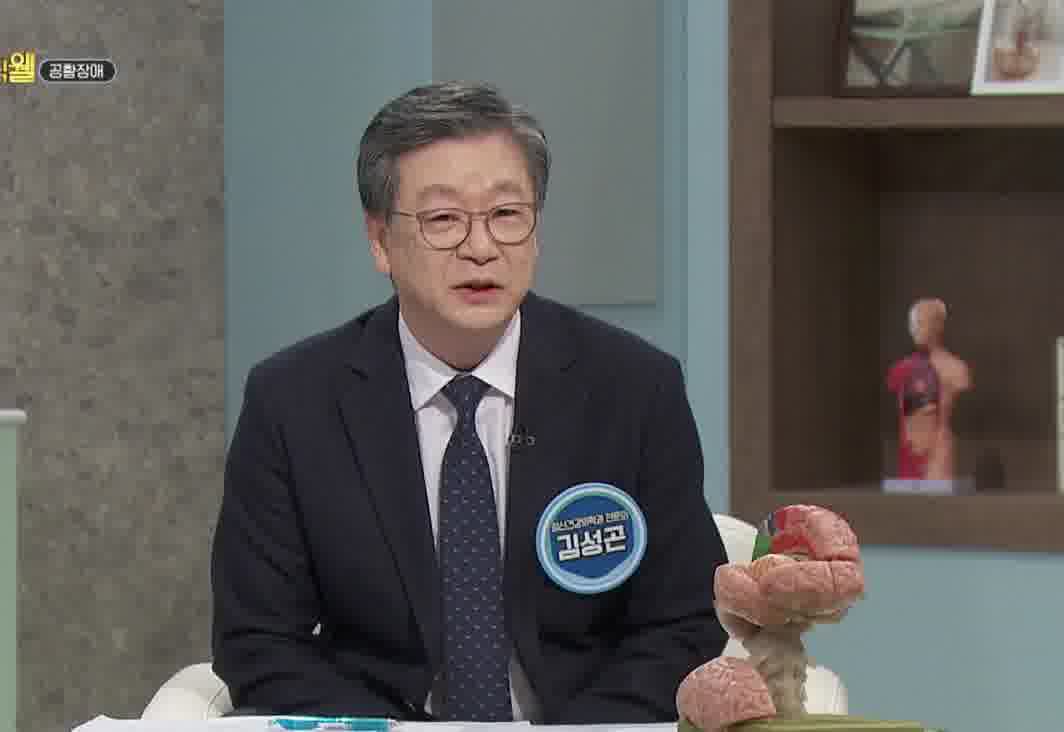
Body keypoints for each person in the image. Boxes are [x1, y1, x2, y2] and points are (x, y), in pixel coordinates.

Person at [210, 80, 727, 724]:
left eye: (507, 215)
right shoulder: (293, 403)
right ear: (380, 240)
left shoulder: (634, 388)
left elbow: (682, 624)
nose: (481, 248)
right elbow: (259, 643)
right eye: (443, 219)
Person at [887, 297, 972, 480]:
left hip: (938, 453)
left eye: (920, 322)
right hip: (910, 450)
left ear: (938, 325)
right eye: (912, 324)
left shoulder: (955, 368)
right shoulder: (901, 369)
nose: (914, 329)